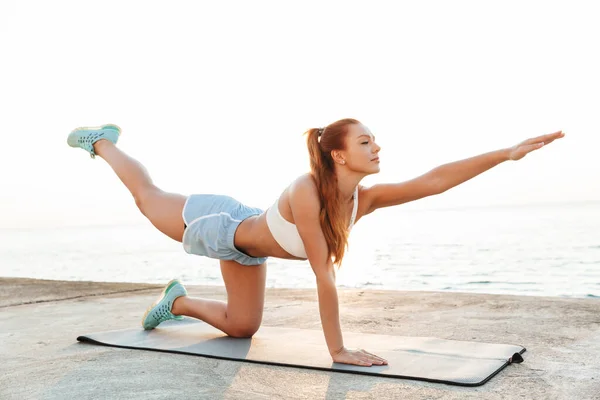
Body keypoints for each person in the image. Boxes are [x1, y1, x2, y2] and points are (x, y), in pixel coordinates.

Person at [66, 119, 564, 367]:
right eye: (365, 142)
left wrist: (506, 154)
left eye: (375, 140)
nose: (377, 147)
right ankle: (102, 142)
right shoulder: (307, 192)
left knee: (241, 327)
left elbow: (433, 180)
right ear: (340, 156)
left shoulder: (361, 201)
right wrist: (338, 349)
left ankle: (176, 300)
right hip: (219, 223)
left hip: (249, 246)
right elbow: (322, 274)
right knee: (147, 198)